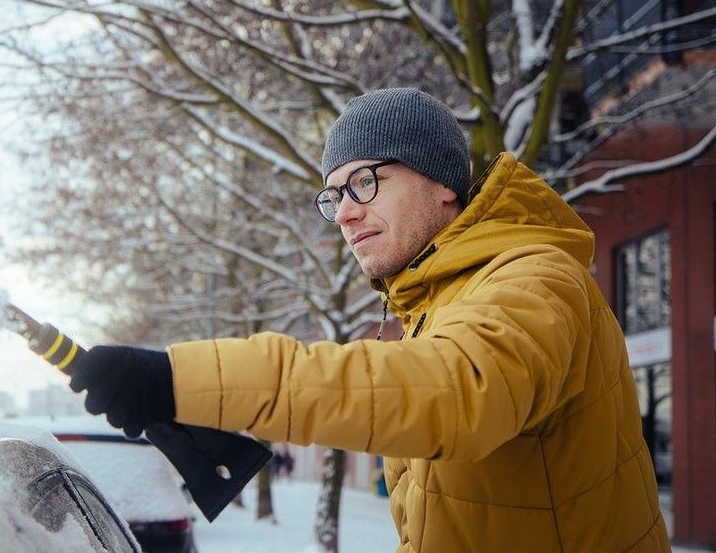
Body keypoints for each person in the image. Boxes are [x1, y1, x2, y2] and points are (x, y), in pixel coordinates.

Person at [68, 88, 670, 551]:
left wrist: (180, 379)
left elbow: (453, 392)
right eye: (334, 196)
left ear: (441, 183)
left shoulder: (533, 278)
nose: (347, 214)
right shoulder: (437, 309)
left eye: (365, 181)